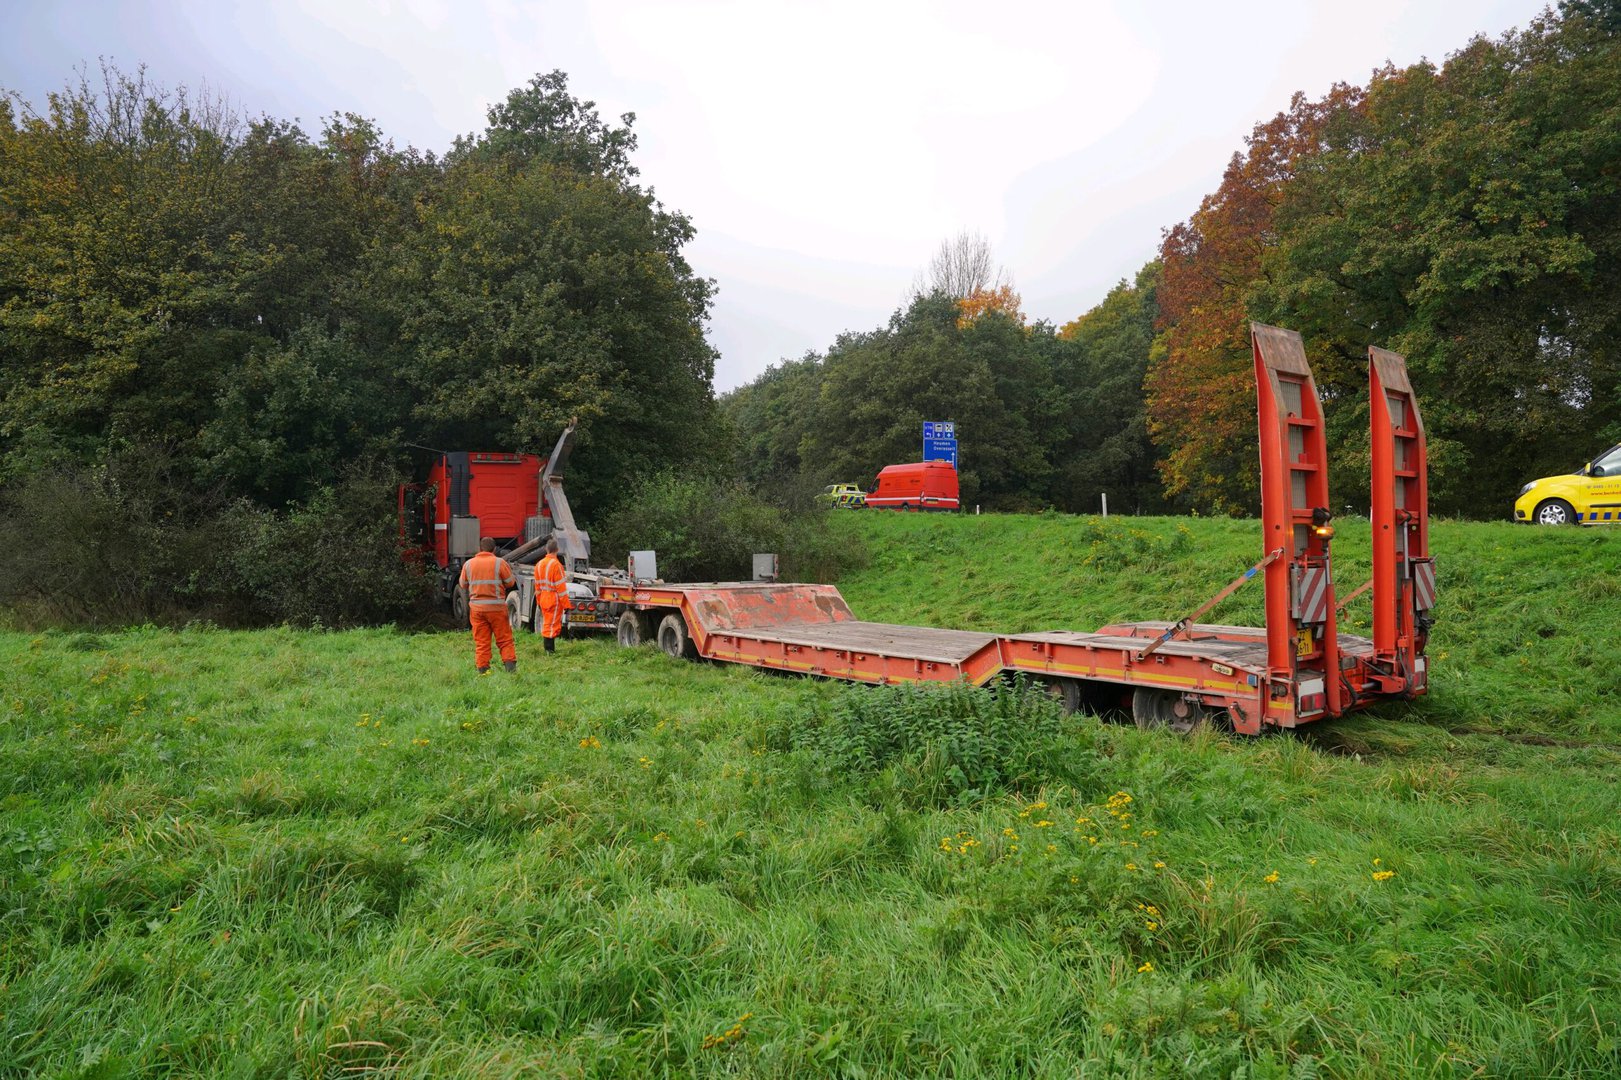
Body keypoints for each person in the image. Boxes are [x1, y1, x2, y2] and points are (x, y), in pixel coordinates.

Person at [457, 537, 518, 673]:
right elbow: (510, 583)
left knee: (481, 642)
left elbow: (462, 584)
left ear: (480, 549)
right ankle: (511, 670)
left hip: (477, 609)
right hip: (497, 608)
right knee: (504, 640)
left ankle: (483, 671)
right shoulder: (499, 562)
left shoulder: (468, 564)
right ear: (494, 549)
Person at [534, 538, 572, 653]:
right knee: (552, 626)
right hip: (553, 599)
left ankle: (548, 650)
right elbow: (561, 589)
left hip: (544, 598)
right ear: (557, 550)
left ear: (546, 549)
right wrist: (566, 606)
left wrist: (538, 601)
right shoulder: (556, 565)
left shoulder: (539, 564)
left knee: (547, 623)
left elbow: (537, 587)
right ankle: (549, 651)